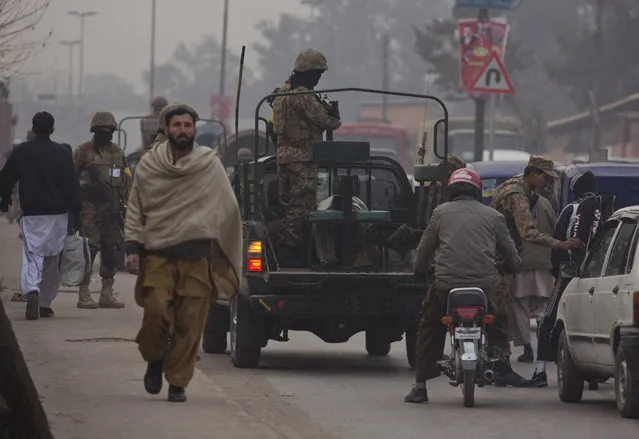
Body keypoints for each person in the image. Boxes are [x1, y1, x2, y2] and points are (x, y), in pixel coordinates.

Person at [124, 103, 242, 402]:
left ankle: (178, 382)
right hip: (158, 255)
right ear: (166, 129)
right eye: (176, 125)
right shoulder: (150, 165)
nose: (182, 131)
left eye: (187, 125)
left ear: (194, 129)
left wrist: (224, 247)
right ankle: (154, 358)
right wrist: (132, 247)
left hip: (196, 257)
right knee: (155, 313)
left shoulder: (208, 164)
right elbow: (136, 207)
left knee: (190, 326)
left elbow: (227, 207)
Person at [404, 168, 523, 404]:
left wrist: (419, 270)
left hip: (446, 285)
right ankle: (498, 356)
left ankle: (420, 386)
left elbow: (424, 252)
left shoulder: (440, 213)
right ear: (477, 190)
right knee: (499, 317)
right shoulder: (492, 216)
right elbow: (512, 256)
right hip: (485, 286)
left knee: (429, 327)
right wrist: (513, 265)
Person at [490, 156, 582, 385]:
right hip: (504, 260)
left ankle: (500, 363)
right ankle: (501, 366)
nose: (546, 182)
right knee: (503, 314)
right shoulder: (519, 195)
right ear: (533, 173)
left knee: (509, 311)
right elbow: (528, 233)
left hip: (505, 258)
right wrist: (560, 244)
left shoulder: (517, 188)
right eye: (544, 177)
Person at [0, 112, 82, 320]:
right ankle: (45, 304)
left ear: (33, 128)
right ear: (52, 129)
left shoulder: (22, 152)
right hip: (58, 215)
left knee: (32, 255)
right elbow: (72, 185)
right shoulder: (63, 153)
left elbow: (6, 177)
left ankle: (32, 290)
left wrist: (5, 199)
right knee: (52, 259)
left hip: (33, 214)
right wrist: (77, 212)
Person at [271, 49, 342, 257]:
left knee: (289, 206)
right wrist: (334, 116)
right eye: (317, 74)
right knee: (300, 208)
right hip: (302, 157)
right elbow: (327, 122)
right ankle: (291, 250)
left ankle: (292, 249)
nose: (318, 79)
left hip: (283, 156)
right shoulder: (302, 96)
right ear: (308, 73)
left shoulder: (280, 95)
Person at [536, 171, 603, 384]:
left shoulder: (572, 208)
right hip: (596, 275)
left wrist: (557, 271)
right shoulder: (604, 208)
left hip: (569, 274)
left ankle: (540, 371)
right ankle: (593, 375)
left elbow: (558, 242)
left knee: (549, 317)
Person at [73, 112, 132, 309]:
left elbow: (125, 179)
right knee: (89, 251)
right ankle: (84, 294)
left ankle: (106, 294)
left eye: (110, 131)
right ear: (95, 131)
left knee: (111, 251)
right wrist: (88, 188)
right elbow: (70, 180)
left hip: (113, 210)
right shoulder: (83, 151)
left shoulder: (118, 152)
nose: (107, 134)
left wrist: (125, 204)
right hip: (90, 209)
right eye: (102, 131)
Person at [509, 193, 556, 363]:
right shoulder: (545, 203)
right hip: (544, 261)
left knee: (520, 307)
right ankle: (544, 348)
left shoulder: (513, 199)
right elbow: (553, 227)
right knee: (543, 307)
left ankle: (527, 349)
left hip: (521, 263)